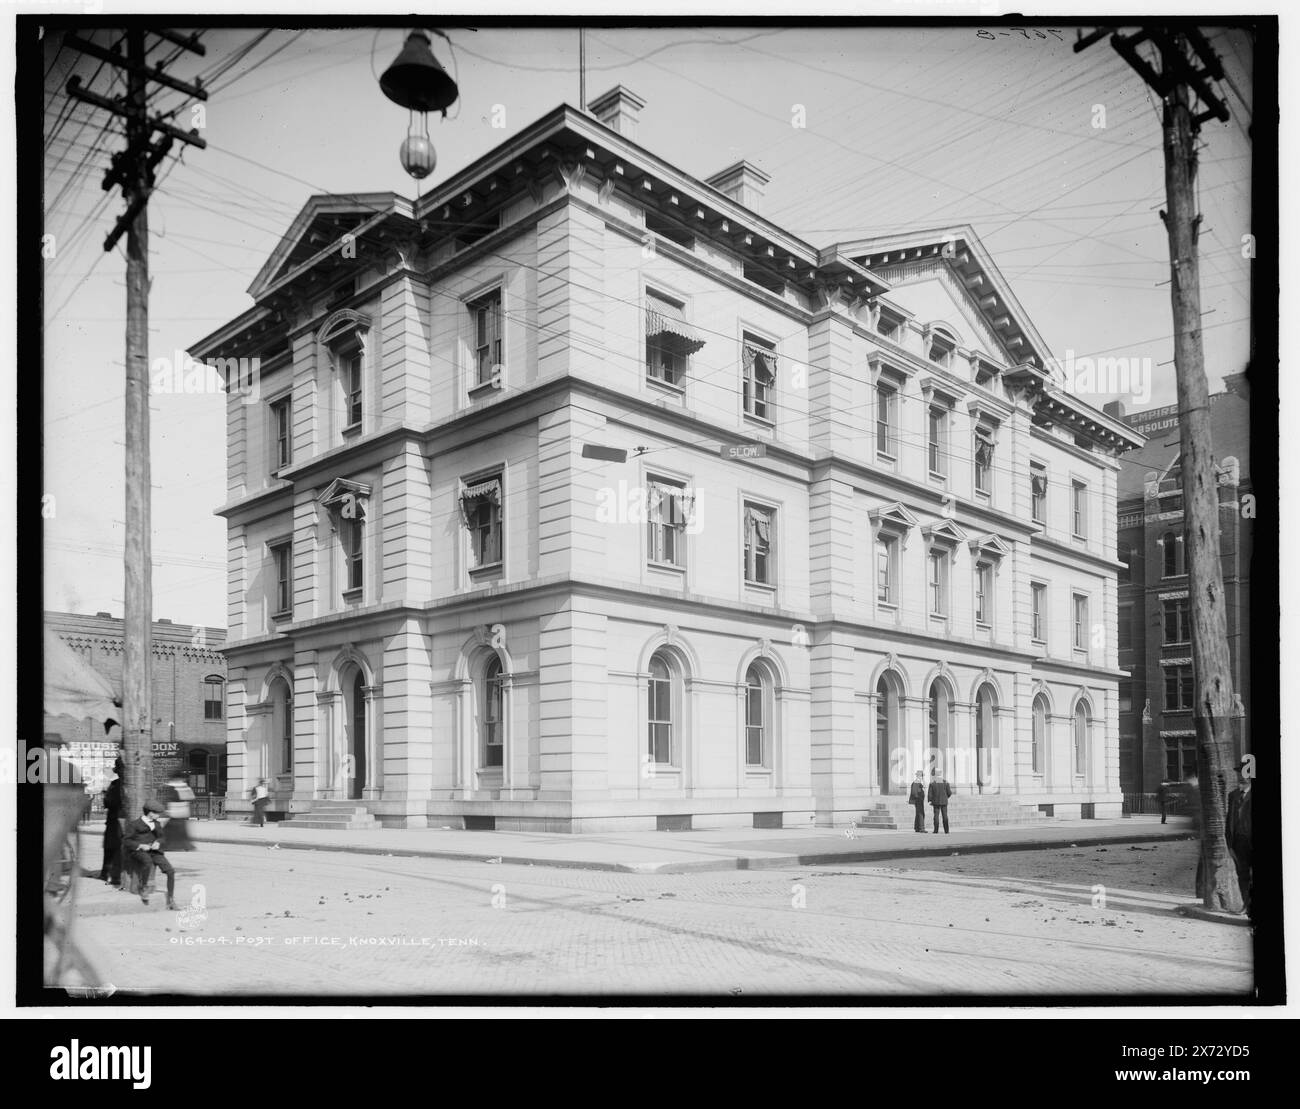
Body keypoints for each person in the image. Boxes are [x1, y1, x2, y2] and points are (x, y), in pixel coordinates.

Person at [122, 800, 178, 909]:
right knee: (147, 862)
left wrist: (158, 842)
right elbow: (126, 841)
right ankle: (143, 887)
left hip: (154, 851)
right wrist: (141, 845)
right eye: (157, 813)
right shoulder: (134, 824)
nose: (159, 815)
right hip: (139, 851)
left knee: (171, 871)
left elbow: (162, 837)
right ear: (150, 813)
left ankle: (171, 900)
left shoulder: (156, 824)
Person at [1226, 761, 1253, 916]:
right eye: (1239, 775)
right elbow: (1229, 819)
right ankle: (1246, 906)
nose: (1240, 778)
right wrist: (1229, 843)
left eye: (1243, 775)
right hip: (1239, 842)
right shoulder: (1233, 795)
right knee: (1242, 875)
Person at [99, 758, 124, 884]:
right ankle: (110, 874)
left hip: (115, 820)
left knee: (112, 848)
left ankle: (109, 874)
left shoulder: (116, 784)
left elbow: (111, 802)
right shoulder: (121, 783)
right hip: (118, 820)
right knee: (114, 848)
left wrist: (105, 794)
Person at [160, 775, 196, 851]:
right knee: (181, 831)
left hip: (175, 811)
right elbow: (191, 797)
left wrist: (168, 809)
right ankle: (185, 845)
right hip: (182, 811)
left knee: (170, 830)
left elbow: (170, 798)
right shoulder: (184, 787)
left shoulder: (172, 787)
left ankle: (168, 845)